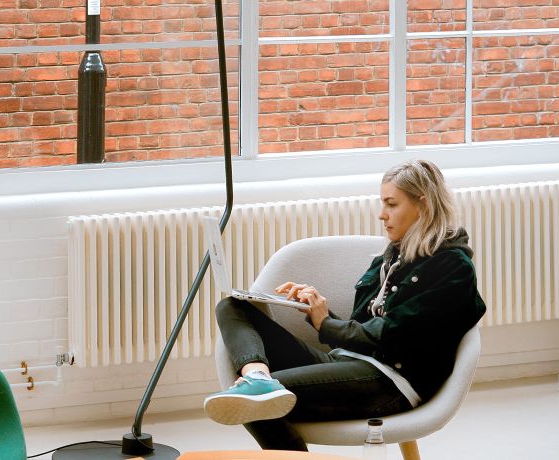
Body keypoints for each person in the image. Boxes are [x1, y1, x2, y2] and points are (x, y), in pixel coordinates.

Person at [203, 159, 487, 450]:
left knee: (255, 403)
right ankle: (257, 377)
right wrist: (318, 311)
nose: (382, 214)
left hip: (391, 382)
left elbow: (393, 335)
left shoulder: (453, 267)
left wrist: (326, 324)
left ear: (423, 205)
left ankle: (263, 394)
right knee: (233, 307)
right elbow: (363, 329)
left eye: (391, 204)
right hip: (347, 362)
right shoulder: (392, 255)